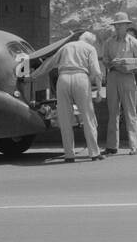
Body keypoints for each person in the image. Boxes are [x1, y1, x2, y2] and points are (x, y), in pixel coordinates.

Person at [44, 30, 104, 162]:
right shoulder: (90, 48)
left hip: (63, 78)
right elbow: (97, 71)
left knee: (65, 117)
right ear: (90, 41)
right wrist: (99, 90)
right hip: (81, 78)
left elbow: (50, 63)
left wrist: (33, 75)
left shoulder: (66, 46)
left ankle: (69, 155)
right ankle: (94, 153)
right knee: (88, 116)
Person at [101, 12, 137, 155]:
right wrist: (111, 63)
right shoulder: (108, 42)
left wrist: (129, 65)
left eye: (121, 25)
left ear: (127, 26)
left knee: (130, 111)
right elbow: (105, 60)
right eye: (116, 25)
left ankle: (134, 145)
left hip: (128, 77)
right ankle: (112, 146)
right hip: (113, 76)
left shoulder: (133, 42)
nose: (118, 27)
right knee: (113, 111)